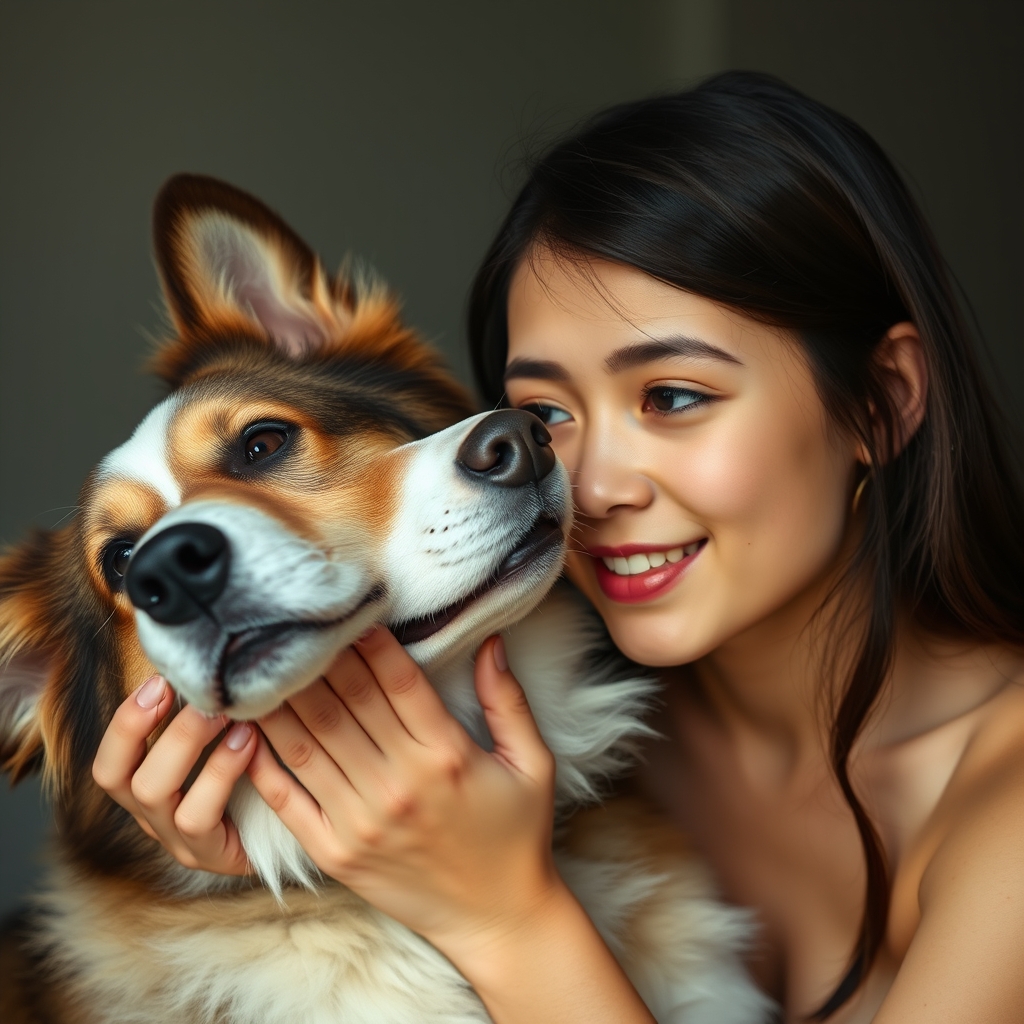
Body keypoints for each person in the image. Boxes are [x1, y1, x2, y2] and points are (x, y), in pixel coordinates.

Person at [93, 73, 1024, 1023]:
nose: (593, 481)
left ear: (883, 401)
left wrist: (508, 920)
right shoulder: (567, 722)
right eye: (545, 412)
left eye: (672, 396)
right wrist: (257, 820)